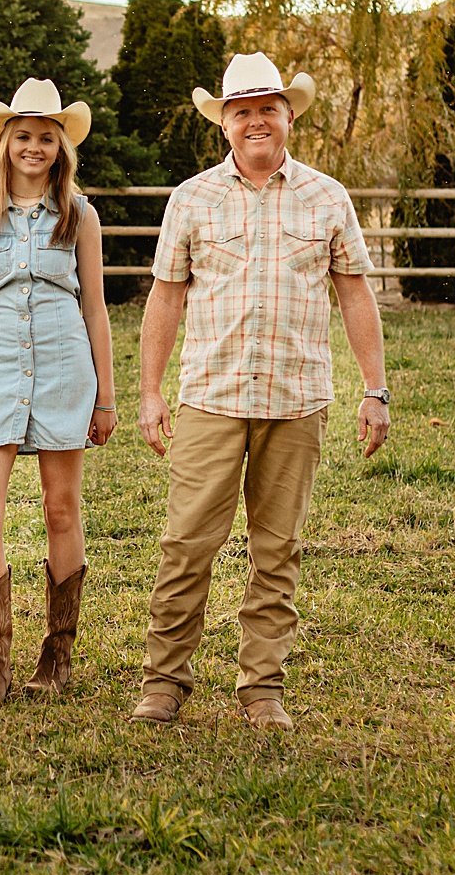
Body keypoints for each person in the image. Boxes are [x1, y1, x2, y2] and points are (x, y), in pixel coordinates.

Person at [131, 51, 391, 732]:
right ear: (223, 123)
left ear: (289, 117)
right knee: (188, 542)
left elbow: (356, 293)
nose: (255, 122)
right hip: (211, 397)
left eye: (267, 109)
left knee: (277, 549)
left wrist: (376, 389)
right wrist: (151, 391)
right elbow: (165, 296)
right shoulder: (191, 198)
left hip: (295, 398)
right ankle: (163, 681)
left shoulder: (327, 197)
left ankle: (262, 689)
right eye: (241, 111)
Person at [0, 80, 118, 709]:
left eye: (47, 137)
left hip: (65, 366)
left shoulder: (80, 215)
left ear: (61, 146)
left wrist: (106, 396)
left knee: (60, 509)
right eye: (24, 135)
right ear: (5, 143)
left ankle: (58, 652)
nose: (34, 146)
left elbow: (95, 308)